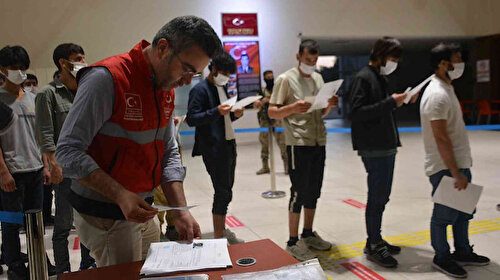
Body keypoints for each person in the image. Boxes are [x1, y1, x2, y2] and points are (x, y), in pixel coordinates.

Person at [56, 15, 222, 267]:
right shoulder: (106, 79)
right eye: (187, 69)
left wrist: (180, 210)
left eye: (195, 74)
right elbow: (67, 152)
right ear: (163, 48)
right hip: (106, 214)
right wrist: (120, 194)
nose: (188, 81)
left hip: (143, 209)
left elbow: (168, 151)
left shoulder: (164, 87)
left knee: (153, 271)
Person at [420, 42, 489, 278]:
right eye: (456, 60)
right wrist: (455, 172)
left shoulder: (447, 87)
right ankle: (442, 256)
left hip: (459, 164)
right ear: (443, 64)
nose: (460, 65)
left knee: (463, 212)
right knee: (443, 216)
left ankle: (463, 250)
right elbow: (440, 138)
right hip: (445, 167)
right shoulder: (436, 95)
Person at [348, 37, 418, 268]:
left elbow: (383, 106)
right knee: (377, 196)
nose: (394, 63)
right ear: (380, 55)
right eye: (392, 58)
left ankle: (375, 239)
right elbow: (357, 112)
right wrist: (391, 102)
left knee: (382, 195)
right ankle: (374, 244)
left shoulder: (379, 77)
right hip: (374, 147)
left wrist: (402, 100)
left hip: (386, 144)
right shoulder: (363, 77)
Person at [268, 39, 338, 261]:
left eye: (315, 60)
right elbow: (272, 112)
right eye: (308, 59)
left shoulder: (318, 77)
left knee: (314, 191)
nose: (312, 63)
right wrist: (291, 108)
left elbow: (320, 113)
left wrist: (328, 105)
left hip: (319, 141)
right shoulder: (285, 79)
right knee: (298, 192)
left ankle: (308, 234)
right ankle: (292, 240)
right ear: (298, 57)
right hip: (298, 143)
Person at [35, 43, 96, 273]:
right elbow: (45, 133)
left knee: (88, 222)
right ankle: (63, 271)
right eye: (77, 58)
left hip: (87, 167)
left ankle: (88, 265)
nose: (83, 61)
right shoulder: (47, 94)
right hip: (65, 168)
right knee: (62, 225)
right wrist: (53, 165)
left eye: (83, 56)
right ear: (63, 62)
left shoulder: (84, 89)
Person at [0, 45, 55, 279]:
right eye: (14, 68)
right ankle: (14, 264)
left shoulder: (33, 98)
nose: (20, 73)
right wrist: (3, 173)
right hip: (12, 174)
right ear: (2, 69)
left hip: (35, 172)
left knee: (36, 222)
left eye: (23, 68)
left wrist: (45, 165)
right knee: (11, 222)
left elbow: (40, 137)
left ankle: (38, 258)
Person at [186, 52, 245, 244]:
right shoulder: (200, 90)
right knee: (222, 192)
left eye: (229, 74)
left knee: (227, 191)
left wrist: (235, 114)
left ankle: (222, 230)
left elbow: (223, 118)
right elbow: (192, 119)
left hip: (228, 143)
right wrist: (216, 111)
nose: (226, 77)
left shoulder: (223, 87)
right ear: (213, 68)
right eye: (224, 73)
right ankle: (219, 238)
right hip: (213, 148)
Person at [254, 70, 288, 175]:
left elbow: (284, 103)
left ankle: (287, 167)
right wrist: (259, 102)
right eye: (268, 77)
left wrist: (270, 100)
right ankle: (265, 167)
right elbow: (256, 106)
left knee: (282, 143)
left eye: (271, 77)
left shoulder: (278, 90)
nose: (270, 79)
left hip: (277, 120)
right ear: (264, 79)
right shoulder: (261, 91)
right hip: (264, 121)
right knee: (264, 144)